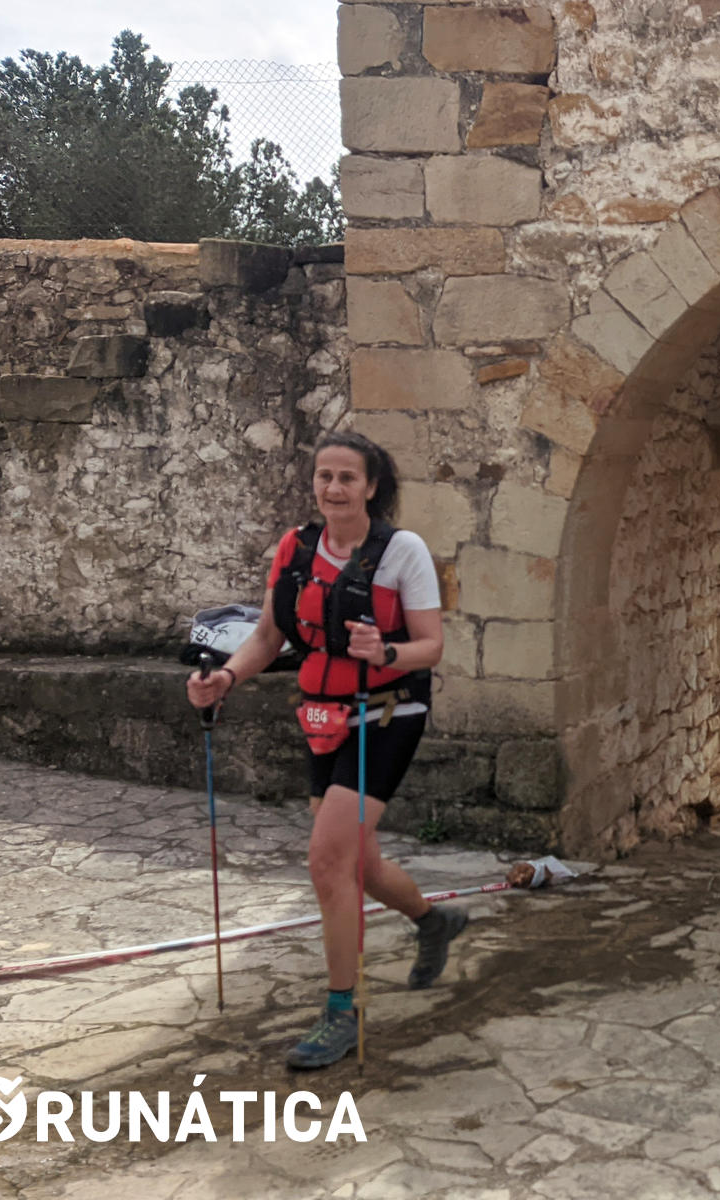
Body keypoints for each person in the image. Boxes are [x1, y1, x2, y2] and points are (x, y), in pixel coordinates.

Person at [185, 431, 465, 1069]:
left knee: (325, 860)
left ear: (371, 486)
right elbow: (267, 637)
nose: (334, 488)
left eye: (347, 477)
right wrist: (225, 678)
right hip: (322, 716)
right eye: (324, 476)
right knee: (356, 863)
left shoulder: (401, 551)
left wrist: (385, 651)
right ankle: (434, 922)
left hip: (388, 714)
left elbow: (431, 646)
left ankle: (342, 1011)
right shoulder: (296, 548)